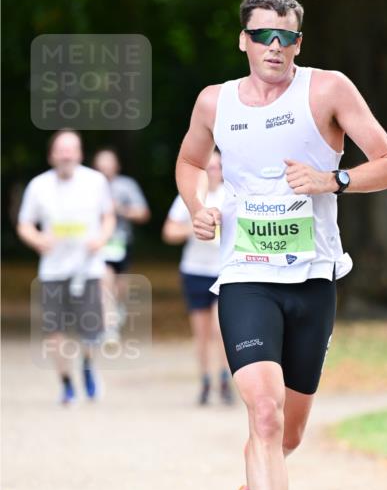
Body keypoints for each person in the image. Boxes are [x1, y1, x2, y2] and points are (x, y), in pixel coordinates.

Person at [175, 0, 387, 490]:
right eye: (263, 35)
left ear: (298, 42)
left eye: (287, 37)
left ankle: (257, 486)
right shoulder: (215, 102)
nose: (275, 47)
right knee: (266, 415)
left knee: (289, 432)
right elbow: (190, 162)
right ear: (244, 40)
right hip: (246, 276)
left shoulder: (328, 90)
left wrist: (334, 178)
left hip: (313, 281)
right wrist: (199, 207)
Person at [16, 130, 115, 404]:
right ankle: (66, 382)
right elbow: (24, 224)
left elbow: (108, 216)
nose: (66, 155)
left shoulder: (95, 182)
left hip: (88, 267)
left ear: (80, 154)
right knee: (54, 331)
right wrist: (37, 240)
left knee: (90, 330)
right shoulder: (38, 186)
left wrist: (102, 238)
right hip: (53, 269)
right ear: (51, 155)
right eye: (61, 150)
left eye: (71, 149)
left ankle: (87, 366)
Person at [162, 151, 234, 405]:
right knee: (201, 334)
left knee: (220, 329)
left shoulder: (232, 195)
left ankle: (225, 379)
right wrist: (193, 225)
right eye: (209, 167)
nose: (214, 171)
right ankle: (205, 380)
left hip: (224, 272)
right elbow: (169, 232)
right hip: (194, 271)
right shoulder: (190, 197)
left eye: (218, 166)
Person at [92, 148, 150, 340]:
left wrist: (121, 210)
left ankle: (117, 308)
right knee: (104, 280)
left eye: (109, 164)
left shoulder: (127, 185)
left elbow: (143, 213)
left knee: (120, 287)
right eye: (101, 164)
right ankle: (110, 329)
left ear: (116, 165)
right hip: (99, 242)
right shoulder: (89, 185)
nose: (105, 168)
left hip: (121, 243)